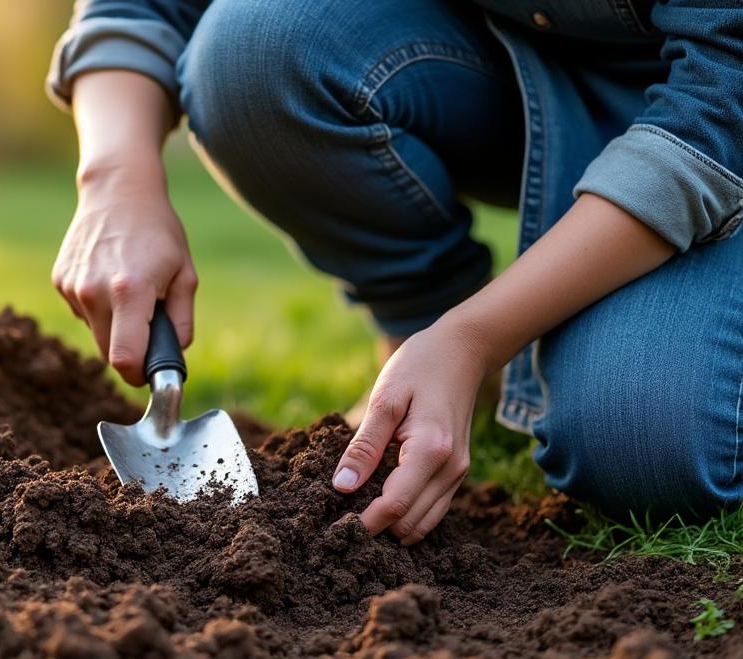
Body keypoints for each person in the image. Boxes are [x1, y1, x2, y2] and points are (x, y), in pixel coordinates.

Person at [46, 0, 743, 543]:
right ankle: (423, 356)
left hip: (711, 120)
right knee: (251, 52)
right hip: (500, 62)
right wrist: (115, 178)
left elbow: (720, 107)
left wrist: (475, 336)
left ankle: (457, 356)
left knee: (640, 446)